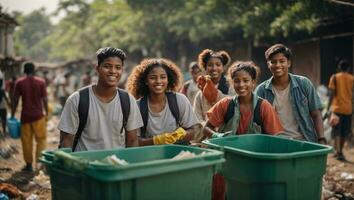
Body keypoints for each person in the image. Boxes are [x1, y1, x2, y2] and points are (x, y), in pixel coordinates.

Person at [58, 47, 143, 151]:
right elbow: (66, 141)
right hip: (84, 165)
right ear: (97, 68)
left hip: (116, 164)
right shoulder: (77, 99)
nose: (113, 71)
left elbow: (132, 141)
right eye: (107, 66)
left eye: (118, 67)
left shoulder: (128, 101)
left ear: (122, 70)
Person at [255, 43, 325, 144]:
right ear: (268, 65)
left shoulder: (304, 84)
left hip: (303, 141)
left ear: (288, 63)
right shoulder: (261, 90)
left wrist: (321, 138)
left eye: (282, 61)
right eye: (273, 62)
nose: (278, 65)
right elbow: (257, 122)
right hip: (274, 144)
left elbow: (316, 114)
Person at [126, 58, 200, 146]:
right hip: (151, 156)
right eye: (153, 78)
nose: (158, 81)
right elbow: (133, 141)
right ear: (146, 81)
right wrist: (156, 140)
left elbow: (195, 130)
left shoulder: (179, 100)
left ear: (168, 79)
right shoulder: (137, 107)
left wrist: (181, 135)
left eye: (163, 77)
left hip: (178, 154)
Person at [203, 61, 283, 138]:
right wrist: (216, 135)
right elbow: (206, 128)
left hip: (253, 151)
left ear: (253, 82)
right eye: (237, 81)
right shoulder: (225, 104)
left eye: (246, 81)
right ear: (232, 83)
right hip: (228, 150)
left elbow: (275, 136)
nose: (241, 85)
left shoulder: (264, 107)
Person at [12, 62, 48, 172]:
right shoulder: (41, 82)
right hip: (38, 116)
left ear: (24, 70)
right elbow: (45, 99)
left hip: (26, 117)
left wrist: (13, 114)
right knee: (41, 139)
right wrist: (46, 112)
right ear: (34, 70)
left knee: (26, 141)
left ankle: (28, 165)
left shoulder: (19, 82)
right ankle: (39, 162)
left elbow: (15, 100)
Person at [193, 49, 235, 125]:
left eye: (218, 65)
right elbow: (196, 118)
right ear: (205, 68)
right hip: (207, 133)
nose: (214, 68)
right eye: (210, 65)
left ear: (223, 68)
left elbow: (235, 109)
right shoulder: (200, 93)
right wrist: (208, 128)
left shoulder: (231, 87)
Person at [327, 59, 353, 161]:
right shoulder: (352, 79)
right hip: (348, 109)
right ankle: (340, 151)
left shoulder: (334, 77)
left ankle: (338, 152)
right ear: (349, 68)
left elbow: (331, 94)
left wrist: (329, 107)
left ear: (339, 68)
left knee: (336, 131)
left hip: (337, 108)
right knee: (344, 131)